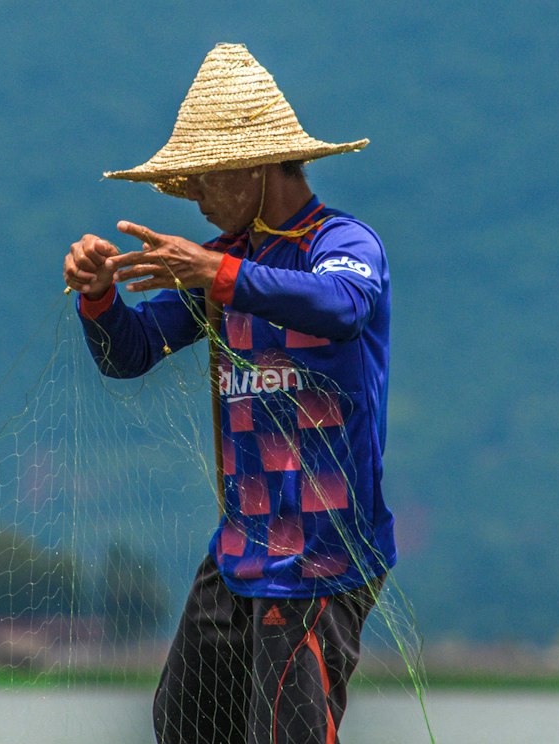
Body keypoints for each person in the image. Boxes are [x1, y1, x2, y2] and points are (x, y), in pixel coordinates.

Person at [62, 43, 395, 744]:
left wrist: (213, 270)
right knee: (181, 723)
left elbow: (341, 306)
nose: (197, 200)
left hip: (320, 556)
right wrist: (99, 299)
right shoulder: (225, 265)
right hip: (239, 552)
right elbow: (130, 354)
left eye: (204, 181)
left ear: (256, 166)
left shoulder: (341, 243)